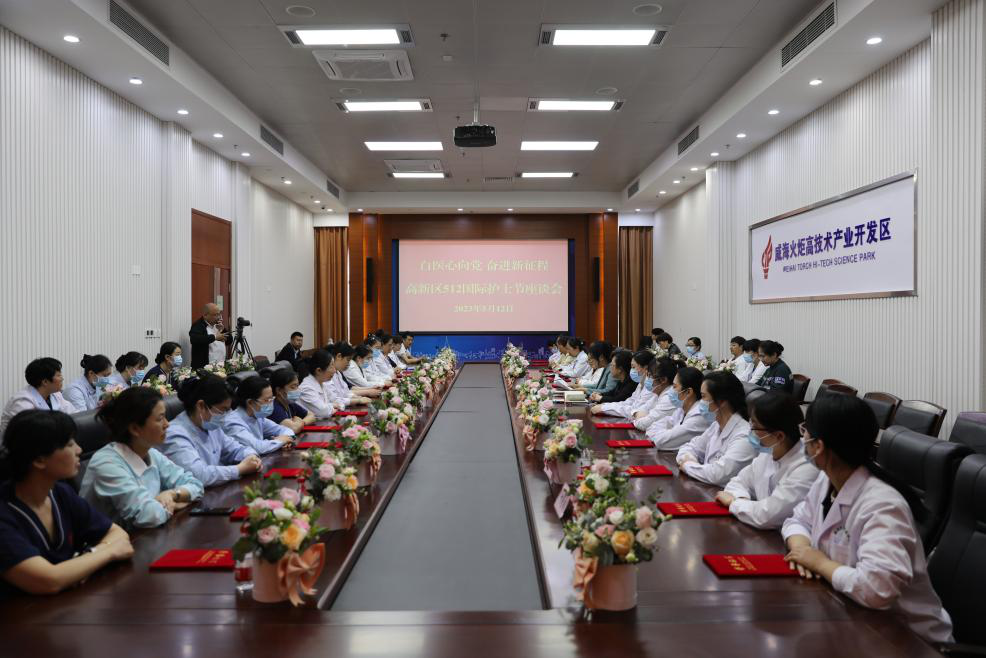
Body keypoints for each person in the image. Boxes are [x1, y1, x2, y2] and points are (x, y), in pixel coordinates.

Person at [782, 395, 953, 644]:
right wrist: (802, 550)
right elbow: (797, 519)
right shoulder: (826, 479)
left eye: (805, 431)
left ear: (818, 446)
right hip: (851, 617)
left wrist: (819, 563)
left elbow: (877, 589)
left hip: (910, 640)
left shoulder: (883, 505)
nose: (802, 438)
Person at [0, 410, 133, 595]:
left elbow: (117, 534)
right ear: (39, 459)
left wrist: (87, 560)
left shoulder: (60, 493)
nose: (79, 450)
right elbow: (48, 580)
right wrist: (108, 553)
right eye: (70, 444)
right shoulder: (5, 512)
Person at [80, 388, 203, 528]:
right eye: (160, 419)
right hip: (111, 540)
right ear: (135, 429)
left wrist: (172, 494)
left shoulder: (150, 452)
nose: (167, 424)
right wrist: (175, 504)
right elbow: (149, 515)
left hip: (145, 535)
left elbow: (196, 485)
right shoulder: (106, 464)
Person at [714, 392, 817, 528]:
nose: (750, 430)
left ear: (779, 436)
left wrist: (734, 503)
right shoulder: (768, 451)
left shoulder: (806, 466)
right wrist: (742, 501)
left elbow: (768, 516)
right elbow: (737, 482)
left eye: (755, 426)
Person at [160, 375, 262, 487]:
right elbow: (198, 475)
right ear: (201, 405)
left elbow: (235, 449)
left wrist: (251, 456)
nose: (226, 415)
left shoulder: (211, 425)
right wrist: (239, 469)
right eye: (223, 410)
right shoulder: (174, 434)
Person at [676, 371, 754, 485]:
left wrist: (688, 465)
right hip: (706, 488)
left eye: (703, 396)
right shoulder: (716, 425)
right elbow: (688, 447)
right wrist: (691, 460)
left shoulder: (745, 436)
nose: (700, 402)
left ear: (721, 401)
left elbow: (717, 474)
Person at [1, 358, 78, 435]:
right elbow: (28, 433)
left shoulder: (55, 394)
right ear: (45, 382)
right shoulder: (22, 402)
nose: (62, 379)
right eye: (58, 375)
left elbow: (75, 416)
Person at [223, 376, 295, 455]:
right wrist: (280, 441)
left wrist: (286, 440)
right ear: (250, 402)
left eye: (272, 398)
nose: (271, 403)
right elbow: (258, 447)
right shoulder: (232, 423)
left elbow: (285, 430)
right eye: (267, 400)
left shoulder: (258, 417)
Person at [646, 366, 712, 450]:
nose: (671, 390)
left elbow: (662, 442)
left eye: (674, 386)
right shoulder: (681, 409)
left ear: (688, 392)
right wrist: (666, 433)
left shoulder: (699, 416)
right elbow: (652, 427)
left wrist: (664, 433)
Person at [590, 350, 656, 418]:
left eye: (633, 367)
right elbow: (629, 402)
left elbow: (633, 410)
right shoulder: (640, 384)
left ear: (645, 368)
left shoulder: (651, 387)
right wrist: (605, 406)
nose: (631, 370)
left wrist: (604, 408)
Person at [632, 357, 682, 431]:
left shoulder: (669, 398)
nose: (647, 378)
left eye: (650, 375)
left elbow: (643, 424)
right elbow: (637, 409)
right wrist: (637, 414)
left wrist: (638, 415)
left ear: (663, 380)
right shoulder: (658, 393)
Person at [298, 350, 342, 418]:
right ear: (319, 370)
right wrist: (332, 405)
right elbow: (323, 412)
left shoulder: (322, 383)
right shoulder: (306, 388)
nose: (334, 370)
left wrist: (331, 406)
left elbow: (337, 400)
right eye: (331, 366)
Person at [269, 369, 315, 433]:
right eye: (293, 387)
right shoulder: (274, 407)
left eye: (297, 386)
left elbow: (312, 415)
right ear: (279, 390)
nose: (297, 390)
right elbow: (294, 428)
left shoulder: (290, 404)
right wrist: (297, 423)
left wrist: (302, 422)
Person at [189, 303, 230, 368]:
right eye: (215, 315)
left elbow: (229, 341)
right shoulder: (198, 325)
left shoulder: (218, 325)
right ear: (205, 315)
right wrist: (215, 337)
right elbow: (194, 339)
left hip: (220, 365)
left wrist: (223, 330)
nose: (218, 317)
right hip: (205, 367)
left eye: (219, 314)